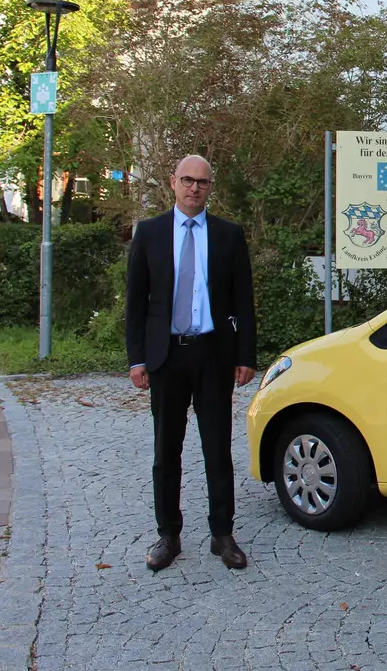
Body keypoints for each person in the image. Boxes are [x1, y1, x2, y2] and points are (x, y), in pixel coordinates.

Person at [125, 155, 257, 571]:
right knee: (167, 450)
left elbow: (243, 301)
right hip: (166, 357)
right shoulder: (149, 233)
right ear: (173, 183)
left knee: (217, 448)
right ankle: (169, 535)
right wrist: (137, 359)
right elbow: (136, 304)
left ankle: (223, 534)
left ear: (210, 187)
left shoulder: (228, 235)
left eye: (202, 182)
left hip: (214, 355)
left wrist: (245, 355)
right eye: (187, 180)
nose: (194, 188)